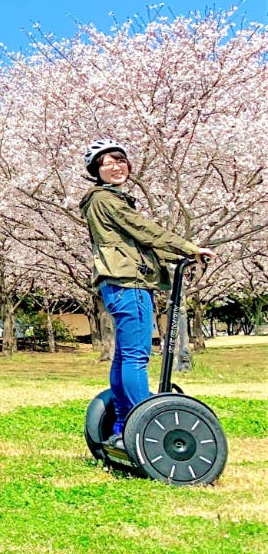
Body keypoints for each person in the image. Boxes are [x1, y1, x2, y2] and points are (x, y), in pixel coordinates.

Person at [80, 138, 214, 444]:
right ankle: (145, 426)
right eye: (107, 162)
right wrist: (188, 247)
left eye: (120, 160)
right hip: (130, 284)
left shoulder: (102, 200)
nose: (116, 166)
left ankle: (124, 426)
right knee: (136, 358)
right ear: (96, 170)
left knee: (125, 358)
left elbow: (134, 244)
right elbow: (143, 230)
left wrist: (178, 256)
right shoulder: (107, 200)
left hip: (118, 281)